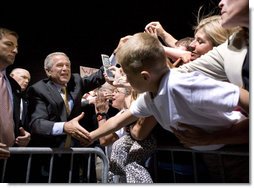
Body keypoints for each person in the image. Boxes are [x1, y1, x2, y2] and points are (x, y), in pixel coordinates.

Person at [27, 51, 106, 183]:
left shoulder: (76, 81)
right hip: (49, 159)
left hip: (73, 156)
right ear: (48, 71)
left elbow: (99, 76)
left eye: (67, 65)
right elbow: (37, 123)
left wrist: (117, 53)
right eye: (59, 65)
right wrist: (64, 127)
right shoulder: (38, 90)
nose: (65, 69)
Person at [0, 27, 31, 182]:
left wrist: (23, 137)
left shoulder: (13, 86)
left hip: (9, 161)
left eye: (16, 47)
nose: (15, 50)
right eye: (9, 44)